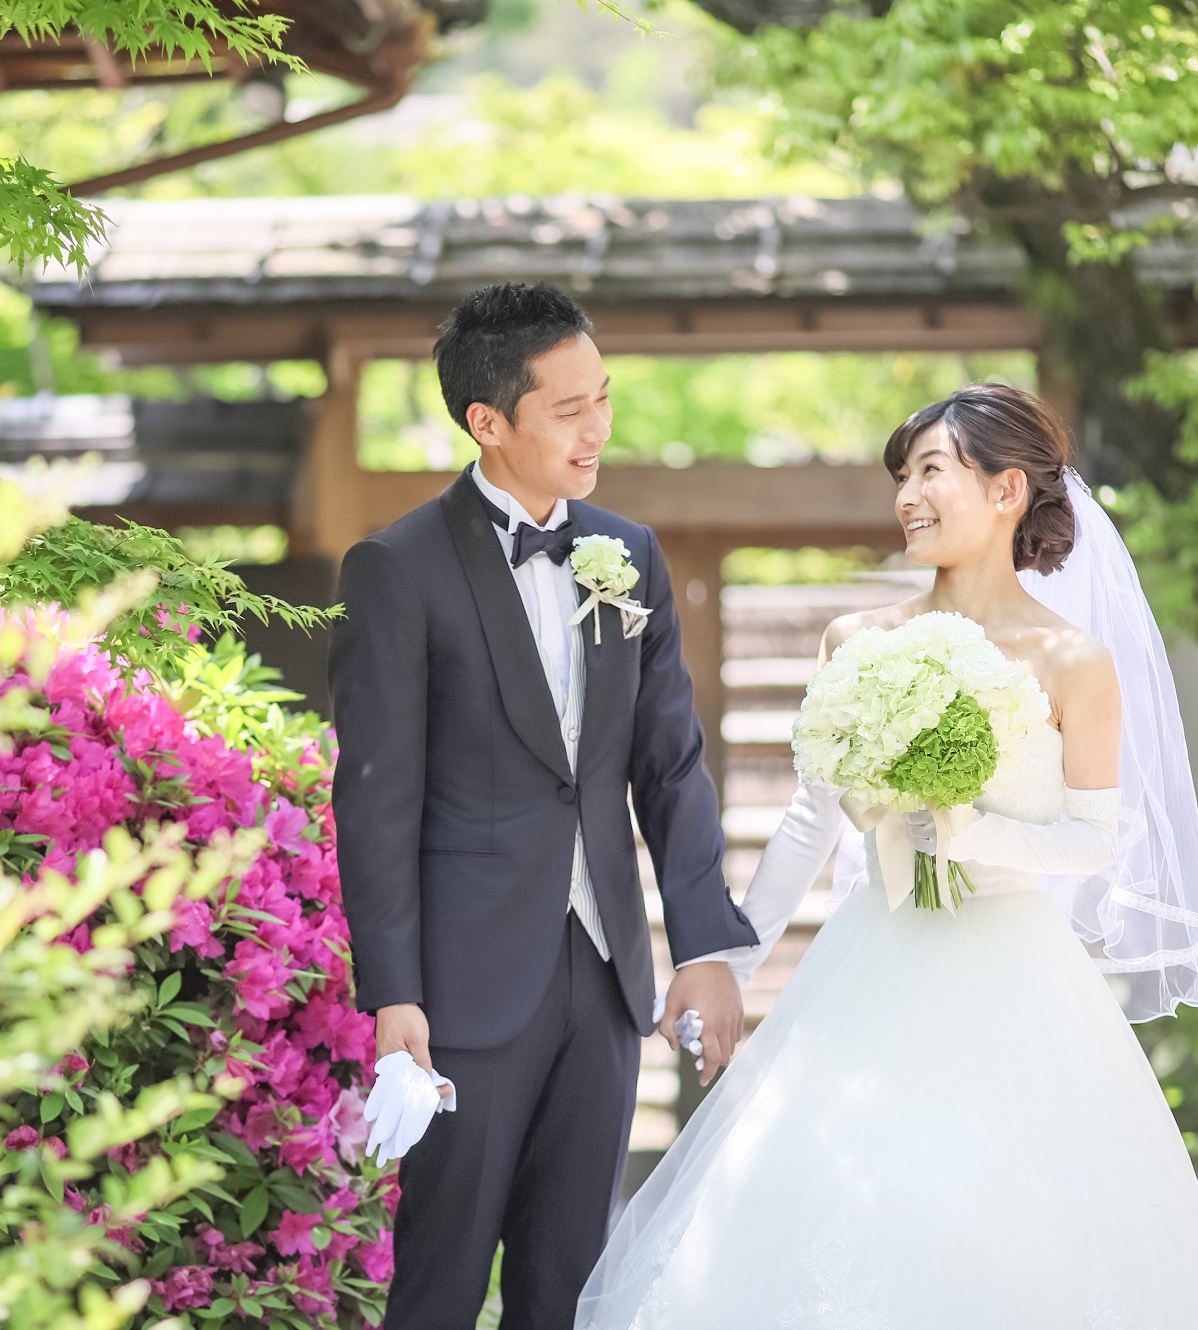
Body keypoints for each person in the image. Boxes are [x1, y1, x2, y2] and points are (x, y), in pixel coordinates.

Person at [575, 382, 1198, 1328]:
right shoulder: (858, 641)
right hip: (873, 960)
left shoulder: (1073, 660)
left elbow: (1095, 839)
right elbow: (810, 825)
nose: (908, 496)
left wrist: (973, 830)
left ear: (1008, 490)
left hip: (1016, 977)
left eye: (933, 471)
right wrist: (732, 964)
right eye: (903, 476)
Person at [331, 281, 759, 1328]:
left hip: (602, 979)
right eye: (568, 409)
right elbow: (375, 800)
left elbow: (669, 767)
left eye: (602, 398)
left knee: (571, 1285)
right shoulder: (395, 569)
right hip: (462, 989)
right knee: (438, 1284)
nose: (596, 427)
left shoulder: (629, 556)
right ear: (488, 421)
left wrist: (704, 946)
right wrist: (394, 994)